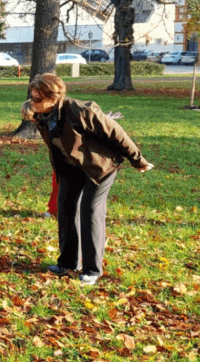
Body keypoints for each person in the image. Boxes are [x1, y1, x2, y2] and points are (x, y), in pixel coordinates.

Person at [23, 74, 154, 285]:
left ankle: (92, 269)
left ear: (54, 97)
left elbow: (116, 133)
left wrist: (138, 160)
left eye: (38, 99)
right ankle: (67, 263)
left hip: (100, 167)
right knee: (65, 209)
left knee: (90, 211)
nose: (33, 102)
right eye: (32, 97)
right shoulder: (41, 116)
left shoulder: (80, 110)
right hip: (70, 168)